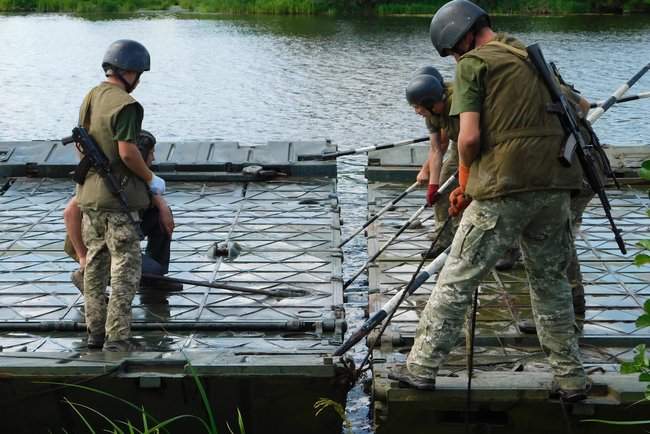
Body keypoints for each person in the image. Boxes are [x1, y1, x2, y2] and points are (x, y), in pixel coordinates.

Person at [391, 0, 589, 401]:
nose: (453, 59)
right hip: (555, 187)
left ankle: (421, 368)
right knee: (551, 283)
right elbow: (581, 107)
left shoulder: (473, 65)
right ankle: (570, 379)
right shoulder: (529, 55)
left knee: (456, 278)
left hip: (502, 190)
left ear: (461, 36)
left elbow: (467, 139)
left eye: (450, 51)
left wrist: (463, 184)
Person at [74, 39, 166, 352]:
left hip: (89, 200)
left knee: (95, 270)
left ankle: (94, 334)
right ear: (130, 72)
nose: (139, 80)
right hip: (117, 203)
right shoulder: (127, 106)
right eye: (139, 73)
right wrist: (151, 178)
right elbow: (128, 153)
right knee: (125, 272)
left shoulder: (92, 95)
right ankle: (117, 340)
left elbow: (80, 143)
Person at [64, 130, 176, 293]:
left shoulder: (138, 175)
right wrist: (82, 256)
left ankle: (155, 280)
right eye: (151, 153)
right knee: (150, 272)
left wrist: (162, 206)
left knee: (158, 218)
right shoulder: (110, 178)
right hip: (94, 243)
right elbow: (70, 213)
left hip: (118, 235)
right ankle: (86, 275)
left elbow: (148, 192)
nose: (154, 158)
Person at [406, 68, 459, 258]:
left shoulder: (456, 104)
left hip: (485, 148)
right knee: (444, 190)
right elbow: (436, 149)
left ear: (430, 102)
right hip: (459, 148)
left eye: (417, 107)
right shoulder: (431, 114)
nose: (416, 112)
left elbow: (466, 140)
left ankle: (509, 249)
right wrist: (433, 186)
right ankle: (443, 241)